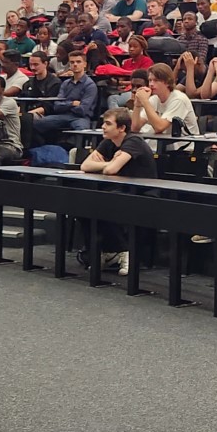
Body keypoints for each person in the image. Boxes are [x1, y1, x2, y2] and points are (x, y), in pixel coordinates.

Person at [78, 108, 158, 273]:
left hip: (145, 193)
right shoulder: (108, 141)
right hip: (122, 189)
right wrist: (109, 163)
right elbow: (85, 166)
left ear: (121, 128)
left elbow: (111, 171)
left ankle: (124, 252)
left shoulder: (133, 141)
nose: (103, 127)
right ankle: (108, 251)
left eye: (108, 124)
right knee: (82, 205)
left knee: (106, 202)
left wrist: (106, 165)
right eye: (103, 123)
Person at [29, 50, 97, 146]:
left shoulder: (90, 85)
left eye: (78, 62)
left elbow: (83, 109)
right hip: (62, 116)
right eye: (72, 62)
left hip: (80, 118)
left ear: (84, 64)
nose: (75, 65)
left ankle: (79, 154)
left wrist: (65, 105)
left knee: (83, 131)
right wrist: (72, 104)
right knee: (34, 124)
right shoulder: (65, 83)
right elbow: (57, 106)